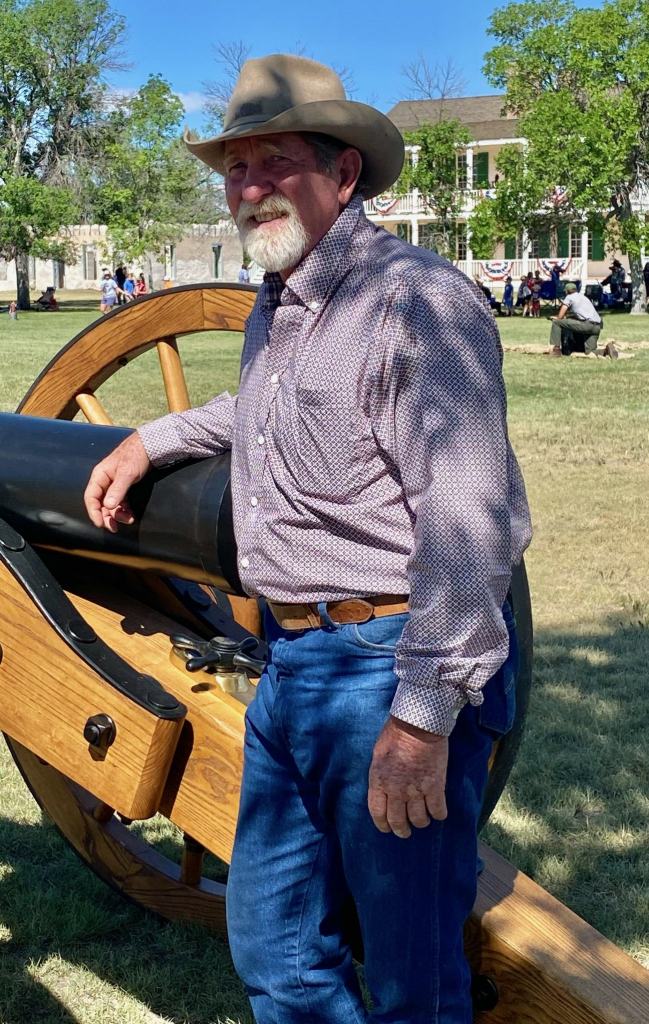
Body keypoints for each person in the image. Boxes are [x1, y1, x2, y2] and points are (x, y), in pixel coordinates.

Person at [83, 54, 531, 1024]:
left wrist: (420, 720)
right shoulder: (282, 300)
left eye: (275, 161)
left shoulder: (415, 303)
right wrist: (151, 439)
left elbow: (467, 519)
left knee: (411, 979)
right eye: (236, 169)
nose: (250, 187)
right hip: (290, 666)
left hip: (386, 669)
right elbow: (266, 411)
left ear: (343, 172)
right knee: (276, 947)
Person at [549, 281, 602, 355]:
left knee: (557, 323)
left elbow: (560, 316)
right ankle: (607, 350)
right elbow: (582, 314)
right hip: (597, 327)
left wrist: (557, 317)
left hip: (587, 325)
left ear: (567, 291)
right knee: (590, 352)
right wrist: (568, 317)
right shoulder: (582, 297)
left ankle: (556, 350)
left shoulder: (569, 297)